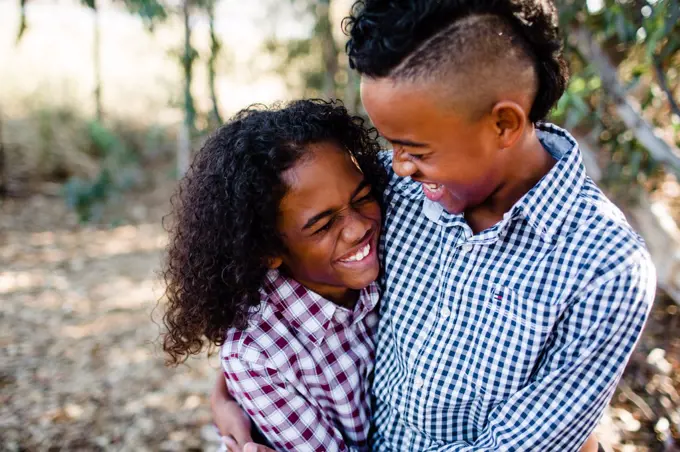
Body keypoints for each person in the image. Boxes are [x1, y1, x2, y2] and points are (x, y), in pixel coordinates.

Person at [213, 1, 656, 450]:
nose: (397, 166)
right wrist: (230, 387)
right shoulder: (390, 192)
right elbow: (292, 273)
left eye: (416, 150)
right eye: (390, 145)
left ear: (503, 124)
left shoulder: (606, 268)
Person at [162, 99, 387, 451]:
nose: (359, 228)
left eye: (362, 198)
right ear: (267, 251)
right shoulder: (259, 356)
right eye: (324, 225)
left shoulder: (391, 243)